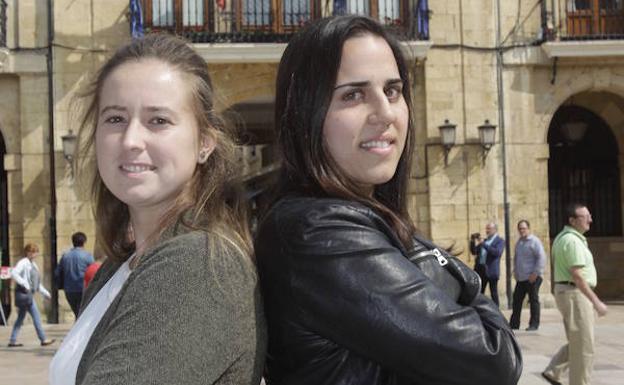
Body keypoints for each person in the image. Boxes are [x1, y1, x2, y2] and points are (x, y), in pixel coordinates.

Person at [255, 15, 522, 385]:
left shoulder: (360, 216)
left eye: (392, 91)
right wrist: (466, 283)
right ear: (305, 114)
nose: (384, 113)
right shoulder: (315, 230)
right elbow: (494, 357)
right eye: (353, 94)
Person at [49, 34, 266, 385]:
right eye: (115, 118)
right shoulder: (119, 266)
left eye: (158, 121)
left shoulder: (197, 265)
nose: (131, 140)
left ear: (205, 144)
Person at [542, 203, 608, 385]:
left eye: (589, 215)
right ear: (572, 220)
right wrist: (596, 302)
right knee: (585, 346)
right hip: (575, 293)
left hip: (569, 292)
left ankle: (553, 371)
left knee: (578, 341)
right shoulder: (571, 241)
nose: (590, 220)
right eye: (585, 216)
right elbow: (577, 275)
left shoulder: (566, 238)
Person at [8, 243, 55, 347]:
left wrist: (46, 293)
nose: (34, 254)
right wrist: (24, 283)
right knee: (36, 316)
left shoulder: (33, 264)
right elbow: (14, 273)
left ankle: (12, 340)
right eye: (32, 252)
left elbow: (36, 283)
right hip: (25, 295)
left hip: (28, 295)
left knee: (20, 318)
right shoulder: (23, 262)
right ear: (27, 252)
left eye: (35, 252)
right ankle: (43, 339)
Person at [509, 219, 546, 331]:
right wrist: (515, 271)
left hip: (532, 277)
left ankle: (534, 324)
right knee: (516, 300)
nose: (522, 230)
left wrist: (536, 273)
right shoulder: (519, 242)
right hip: (521, 278)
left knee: (533, 300)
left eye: (524, 228)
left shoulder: (535, 241)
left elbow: (542, 257)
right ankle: (514, 324)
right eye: (520, 229)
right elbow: (516, 258)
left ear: (528, 229)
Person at [55, 232, 94, 318]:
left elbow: (58, 272)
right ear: (84, 242)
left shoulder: (65, 256)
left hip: (69, 289)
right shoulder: (87, 256)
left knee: (77, 313)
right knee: (82, 314)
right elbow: (93, 272)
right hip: (83, 289)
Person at [470, 222, 505, 306]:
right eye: (486, 229)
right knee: (480, 292)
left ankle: (496, 311)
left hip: (491, 270)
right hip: (480, 270)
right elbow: (474, 251)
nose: (487, 231)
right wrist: (472, 241)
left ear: (495, 230)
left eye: (489, 229)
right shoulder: (485, 241)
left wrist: (484, 244)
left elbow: (497, 253)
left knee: (494, 293)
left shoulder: (499, 241)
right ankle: (479, 309)